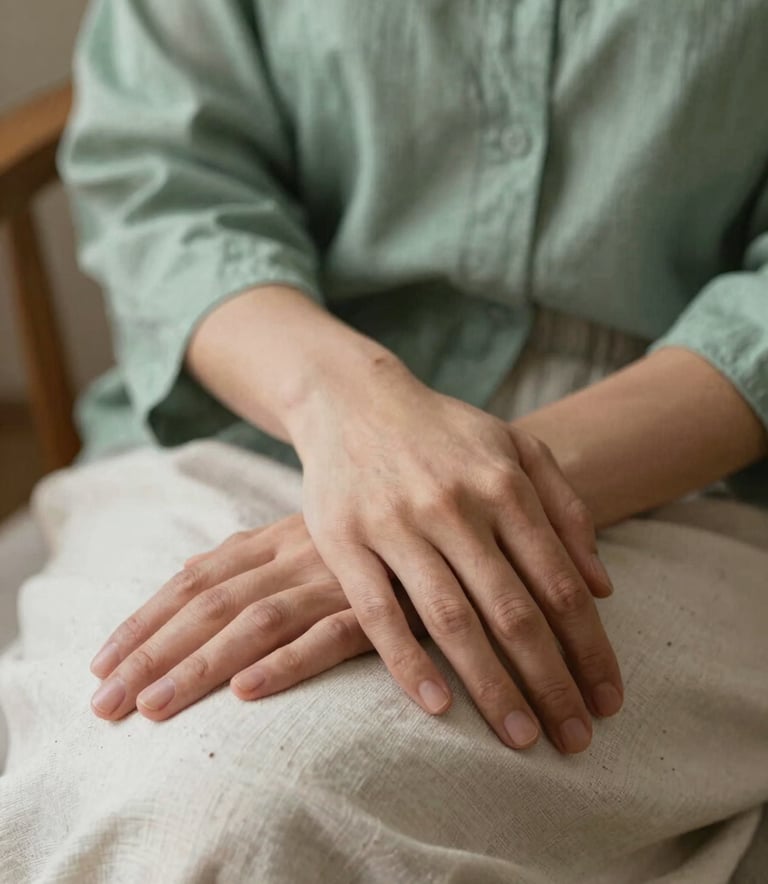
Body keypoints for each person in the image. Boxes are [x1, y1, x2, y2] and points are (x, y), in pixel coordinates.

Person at [1, 1, 767, 881]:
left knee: (251, 809)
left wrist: (479, 498)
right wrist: (357, 419)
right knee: (177, 787)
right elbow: (161, 180)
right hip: (249, 421)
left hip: (689, 479)